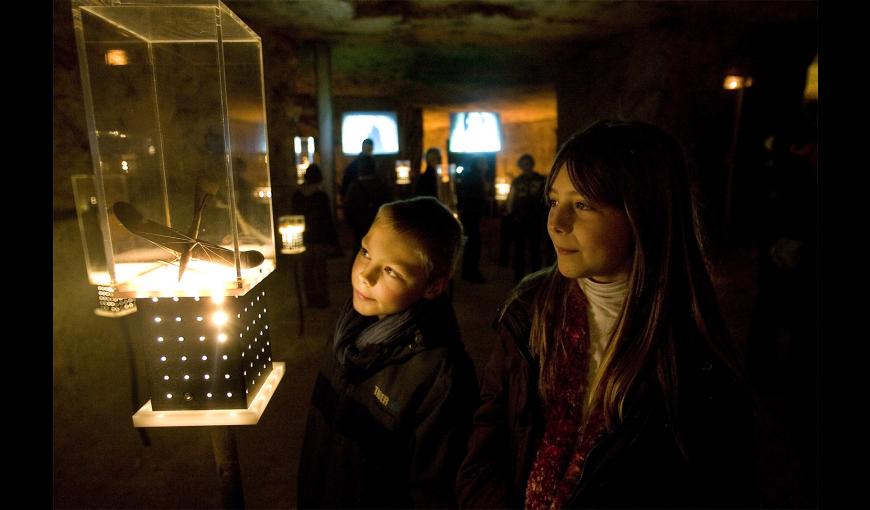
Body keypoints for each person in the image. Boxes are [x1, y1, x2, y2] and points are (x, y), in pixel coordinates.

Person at [456, 120, 757, 509]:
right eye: (553, 201)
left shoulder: (694, 357)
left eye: (581, 205)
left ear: (642, 214)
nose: (556, 223)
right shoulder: (529, 312)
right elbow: (489, 442)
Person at [297, 196, 479, 508]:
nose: (365, 275)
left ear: (433, 286)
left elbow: (433, 490)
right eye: (365, 252)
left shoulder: (439, 373)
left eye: (391, 271)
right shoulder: (350, 326)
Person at [291, 163, 340, 308]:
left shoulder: (297, 196)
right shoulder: (321, 197)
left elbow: (293, 218)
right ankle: (323, 300)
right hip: (319, 239)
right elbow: (327, 221)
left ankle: (310, 300)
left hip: (303, 239)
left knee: (307, 271)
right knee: (321, 271)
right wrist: (333, 242)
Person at [506, 154, 547, 282]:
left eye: (527, 163)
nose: (525, 166)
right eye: (523, 163)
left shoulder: (541, 179)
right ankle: (518, 277)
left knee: (535, 248)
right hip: (520, 218)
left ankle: (536, 277)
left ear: (531, 164)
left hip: (535, 218)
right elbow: (511, 198)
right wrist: (511, 212)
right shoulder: (517, 181)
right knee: (519, 248)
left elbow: (546, 198)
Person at [344, 154, 393, 255]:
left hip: (360, 226)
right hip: (378, 225)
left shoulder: (354, 187)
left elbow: (349, 210)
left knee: (360, 251)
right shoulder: (382, 185)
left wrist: (353, 225)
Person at [458, 156, 490, 283]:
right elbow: (476, 197)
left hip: (470, 214)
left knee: (471, 243)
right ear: (478, 164)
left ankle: (468, 271)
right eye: (483, 162)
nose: (486, 165)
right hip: (472, 214)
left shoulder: (472, 177)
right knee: (473, 243)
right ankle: (472, 272)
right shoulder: (475, 178)